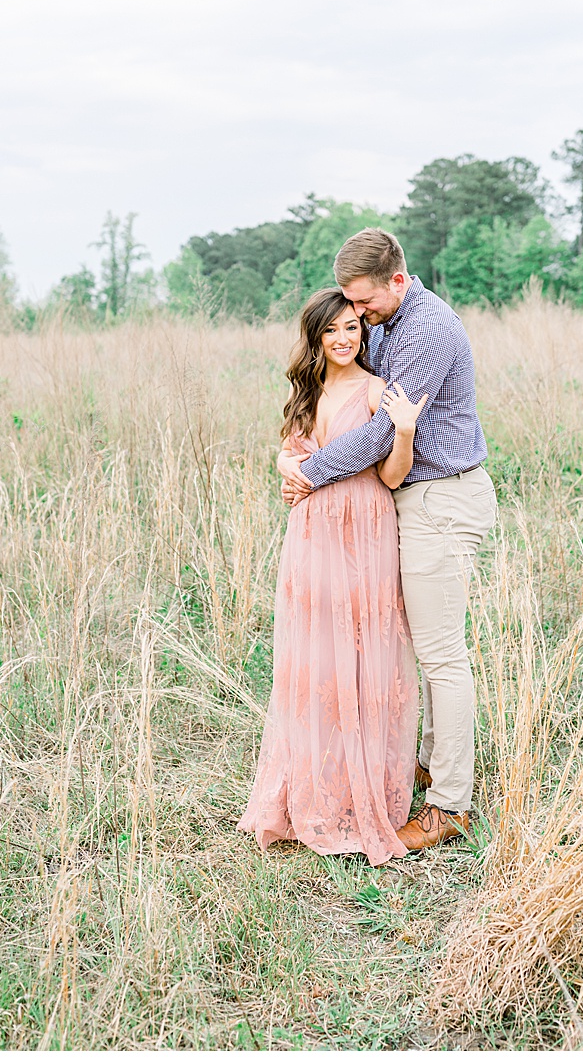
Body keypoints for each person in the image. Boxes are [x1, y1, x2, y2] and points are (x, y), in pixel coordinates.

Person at [277, 229, 498, 852]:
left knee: (441, 654)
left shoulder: (428, 328)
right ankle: (425, 766)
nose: (360, 316)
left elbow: (381, 435)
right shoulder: (388, 319)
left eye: (365, 302)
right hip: (403, 500)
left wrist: (309, 475)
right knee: (413, 645)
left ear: (397, 281)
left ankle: (449, 806)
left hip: (441, 497)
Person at [239, 289, 428, 865]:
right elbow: (289, 449)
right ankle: (316, 783)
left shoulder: (377, 390)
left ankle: (364, 782)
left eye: (353, 327)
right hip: (313, 533)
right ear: (316, 339)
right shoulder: (309, 393)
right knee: (316, 653)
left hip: (365, 529)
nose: (345, 339)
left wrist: (402, 432)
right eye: (333, 331)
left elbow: (394, 478)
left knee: (365, 648)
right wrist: (286, 465)